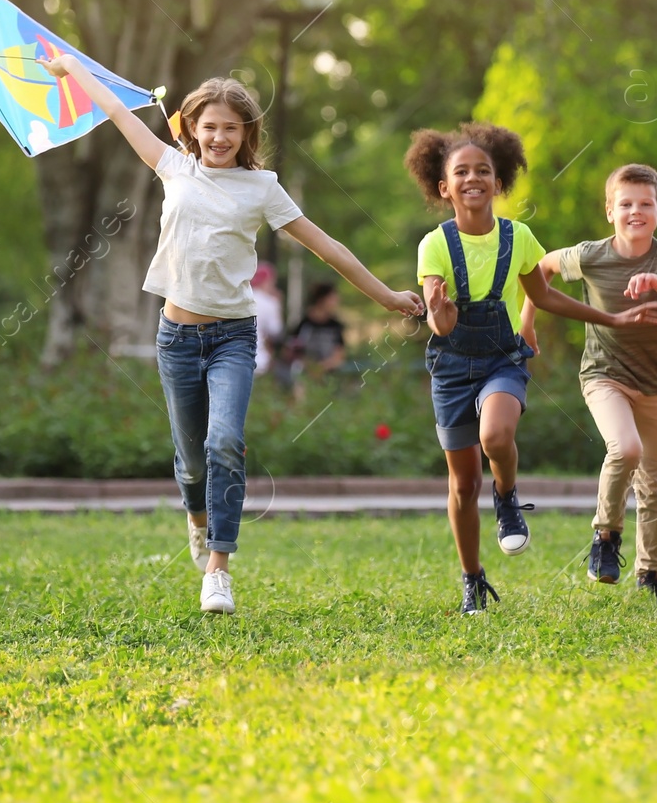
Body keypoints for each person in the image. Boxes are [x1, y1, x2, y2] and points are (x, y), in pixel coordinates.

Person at [41, 55, 421, 615]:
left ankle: (218, 569)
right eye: (209, 126)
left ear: (247, 133)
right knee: (191, 460)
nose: (218, 137)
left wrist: (386, 297)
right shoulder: (173, 167)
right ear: (192, 128)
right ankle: (198, 520)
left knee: (224, 443)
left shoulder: (262, 188)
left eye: (230, 127)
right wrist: (73, 70)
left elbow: (327, 247)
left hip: (233, 339)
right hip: (175, 336)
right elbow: (119, 112)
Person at [405, 123, 657, 615]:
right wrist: (438, 309)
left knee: (497, 437)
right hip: (452, 364)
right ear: (444, 186)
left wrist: (610, 316)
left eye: (484, 170)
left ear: (498, 182)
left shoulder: (518, 237)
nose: (473, 178)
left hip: (502, 360)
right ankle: (472, 579)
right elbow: (439, 326)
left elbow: (543, 294)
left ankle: (507, 495)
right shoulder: (433, 246)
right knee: (461, 484)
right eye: (461, 172)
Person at [521, 164, 657, 604]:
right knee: (626, 449)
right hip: (604, 374)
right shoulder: (592, 255)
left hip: (654, 381)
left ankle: (651, 572)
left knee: (655, 482)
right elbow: (541, 267)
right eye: (626, 204)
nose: (635, 211)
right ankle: (605, 536)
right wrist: (527, 321)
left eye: (645, 204)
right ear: (609, 211)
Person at [289, 282, 348, 376]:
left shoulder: (335, 326)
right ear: (322, 300)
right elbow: (294, 352)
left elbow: (339, 355)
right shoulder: (304, 325)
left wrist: (322, 367)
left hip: (329, 377)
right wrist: (311, 367)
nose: (336, 302)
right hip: (306, 375)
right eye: (332, 298)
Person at [251, 262, 284, 377]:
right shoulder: (270, 302)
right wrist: (279, 304)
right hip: (259, 360)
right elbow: (276, 331)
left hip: (236, 357)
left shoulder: (244, 298)